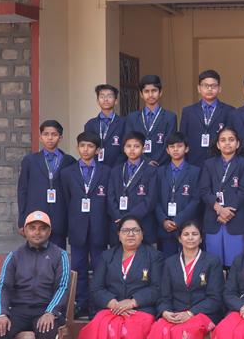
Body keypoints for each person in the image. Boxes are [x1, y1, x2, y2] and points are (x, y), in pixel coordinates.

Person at [79, 216, 164, 339]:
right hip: (113, 308)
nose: (130, 234)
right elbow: (96, 288)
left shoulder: (154, 256)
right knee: (97, 327)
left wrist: (132, 302)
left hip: (140, 309)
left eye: (135, 230)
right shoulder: (107, 256)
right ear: (118, 235)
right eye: (126, 231)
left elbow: (157, 288)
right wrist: (113, 303)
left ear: (142, 234)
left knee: (130, 331)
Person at [0, 211, 70, 339]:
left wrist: (50, 312)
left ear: (49, 232)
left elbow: (63, 287)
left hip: (46, 310)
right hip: (19, 311)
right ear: (24, 231)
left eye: (42, 228)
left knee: (47, 329)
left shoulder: (60, 255)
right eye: (32, 228)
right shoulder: (14, 256)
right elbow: (3, 287)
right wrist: (1, 314)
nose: (37, 232)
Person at [147, 220, 224, 339]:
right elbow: (163, 296)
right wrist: (165, 312)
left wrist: (190, 313)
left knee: (184, 332)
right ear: (179, 238)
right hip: (175, 313)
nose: (190, 238)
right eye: (186, 234)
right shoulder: (170, 263)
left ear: (201, 238)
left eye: (194, 234)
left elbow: (215, 298)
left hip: (202, 313)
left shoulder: (211, 262)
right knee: (159, 330)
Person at [61, 131, 111, 317]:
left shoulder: (106, 171)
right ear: (77, 147)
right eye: (82, 145)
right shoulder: (67, 173)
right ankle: (80, 302)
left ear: (97, 150)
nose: (86, 149)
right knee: (78, 267)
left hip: (100, 226)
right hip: (77, 227)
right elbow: (66, 201)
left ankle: (97, 304)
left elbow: (109, 200)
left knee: (99, 267)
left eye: (90, 146)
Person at [199, 127, 244, 268]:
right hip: (214, 218)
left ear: (238, 143)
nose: (227, 143)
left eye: (231, 140)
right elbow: (204, 190)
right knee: (214, 264)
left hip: (235, 218)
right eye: (223, 140)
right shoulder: (209, 164)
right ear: (218, 145)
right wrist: (219, 209)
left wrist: (227, 211)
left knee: (236, 264)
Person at [17, 119, 76, 248]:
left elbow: (73, 193)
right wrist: (22, 220)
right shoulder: (30, 161)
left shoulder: (69, 161)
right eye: (46, 134)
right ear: (40, 137)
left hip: (60, 217)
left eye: (54, 134)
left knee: (58, 253)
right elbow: (22, 191)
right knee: (35, 255)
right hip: (36, 217)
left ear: (60, 138)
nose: (50, 138)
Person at [106, 131, 158, 246]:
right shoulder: (116, 170)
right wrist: (118, 216)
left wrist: (128, 218)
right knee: (118, 255)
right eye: (128, 146)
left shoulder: (151, 171)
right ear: (124, 149)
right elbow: (110, 197)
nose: (132, 149)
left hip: (142, 222)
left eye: (136, 146)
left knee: (143, 255)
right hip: (118, 222)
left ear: (143, 148)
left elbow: (150, 200)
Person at [155, 132, 201, 256]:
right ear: (167, 150)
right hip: (165, 226)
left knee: (188, 259)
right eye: (172, 147)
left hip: (186, 225)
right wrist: (163, 220)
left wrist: (178, 220)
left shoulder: (195, 171)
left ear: (186, 149)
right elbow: (155, 199)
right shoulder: (159, 172)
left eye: (179, 146)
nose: (175, 149)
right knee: (167, 261)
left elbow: (196, 200)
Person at [179, 70, 235, 167]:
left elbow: (232, 139)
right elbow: (182, 139)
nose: (209, 89)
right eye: (206, 85)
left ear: (219, 88)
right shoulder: (188, 111)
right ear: (199, 88)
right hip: (193, 163)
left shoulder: (229, 111)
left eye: (213, 86)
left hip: (220, 163)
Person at [123, 75, 177, 167]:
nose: (150, 95)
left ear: (160, 92)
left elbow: (169, 144)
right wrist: (145, 160)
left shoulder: (170, 117)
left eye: (154, 91)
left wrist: (155, 162)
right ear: (141, 94)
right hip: (138, 165)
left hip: (161, 167)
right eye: (146, 91)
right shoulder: (132, 117)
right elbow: (128, 143)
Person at [84, 84, 126, 166]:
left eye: (109, 96)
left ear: (116, 101)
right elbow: (87, 148)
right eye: (102, 96)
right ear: (97, 101)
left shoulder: (123, 123)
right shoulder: (90, 124)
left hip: (117, 167)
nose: (105, 99)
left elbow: (126, 148)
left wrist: (117, 168)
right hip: (96, 167)